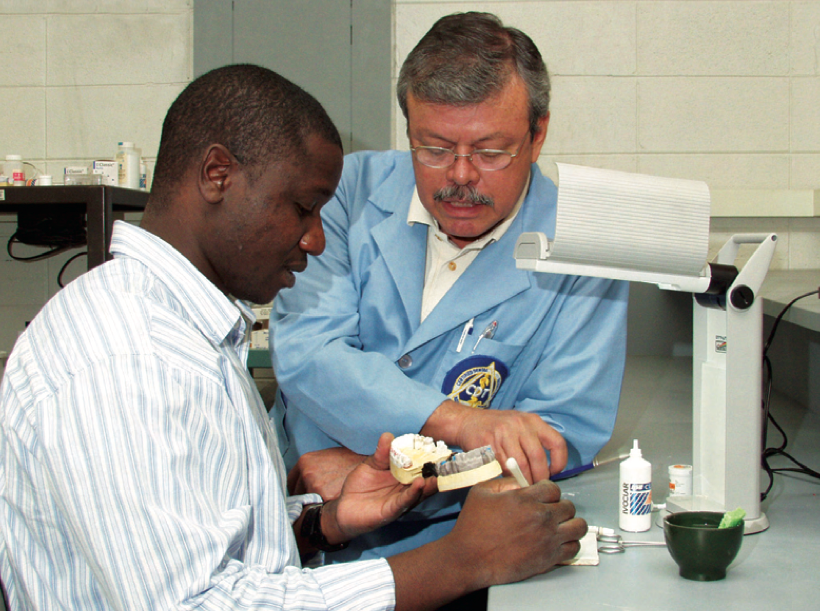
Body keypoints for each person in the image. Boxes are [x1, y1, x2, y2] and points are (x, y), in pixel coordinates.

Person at [0, 64, 586, 611]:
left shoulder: (180, 328)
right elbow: (193, 603)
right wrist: (456, 563)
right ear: (217, 175)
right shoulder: (128, 360)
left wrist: (321, 522)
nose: (316, 241)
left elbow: (196, 539)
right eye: (303, 208)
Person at [270, 11, 629, 562]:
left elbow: (558, 437)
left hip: (450, 549)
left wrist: (398, 476)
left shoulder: (585, 249)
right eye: (433, 148)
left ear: (537, 136)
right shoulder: (344, 194)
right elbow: (309, 354)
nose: (460, 175)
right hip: (302, 521)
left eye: (490, 152)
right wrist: (460, 421)